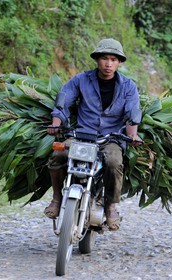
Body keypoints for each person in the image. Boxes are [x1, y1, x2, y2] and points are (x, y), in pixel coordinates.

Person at [44, 38, 142, 231]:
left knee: (114, 163)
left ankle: (111, 206)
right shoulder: (81, 80)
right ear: (97, 59)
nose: (108, 63)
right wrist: (56, 124)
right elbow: (64, 102)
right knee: (58, 155)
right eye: (104, 58)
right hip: (81, 135)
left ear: (119, 62)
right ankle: (56, 199)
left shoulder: (128, 87)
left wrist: (133, 135)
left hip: (110, 138)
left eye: (113, 59)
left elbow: (132, 113)